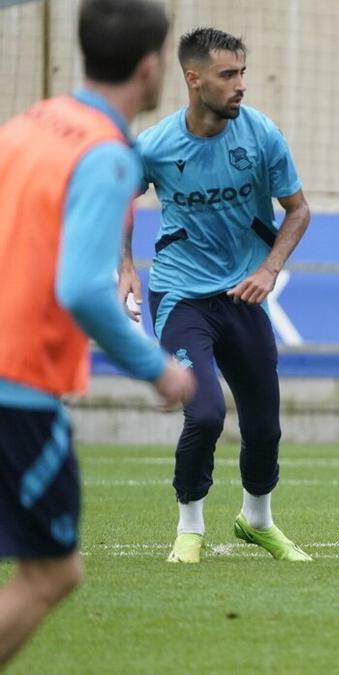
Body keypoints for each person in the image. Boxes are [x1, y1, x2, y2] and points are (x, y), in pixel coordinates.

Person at [0, 0, 195, 665]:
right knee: (53, 572)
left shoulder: (25, 126)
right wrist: (157, 366)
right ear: (149, 67)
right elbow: (84, 287)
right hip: (17, 388)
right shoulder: (109, 155)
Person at [118, 27, 312, 563]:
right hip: (182, 296)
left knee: (264, 424)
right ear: (194, 78)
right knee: (203, 415)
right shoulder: (155, 145)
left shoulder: (262, 135)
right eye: (229, 75)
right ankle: (189, 527)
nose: (241, 85)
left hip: (245, 296)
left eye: (243, 73)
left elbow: (298, 210)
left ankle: (257, 521)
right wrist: (126, 269)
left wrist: (270, 269)